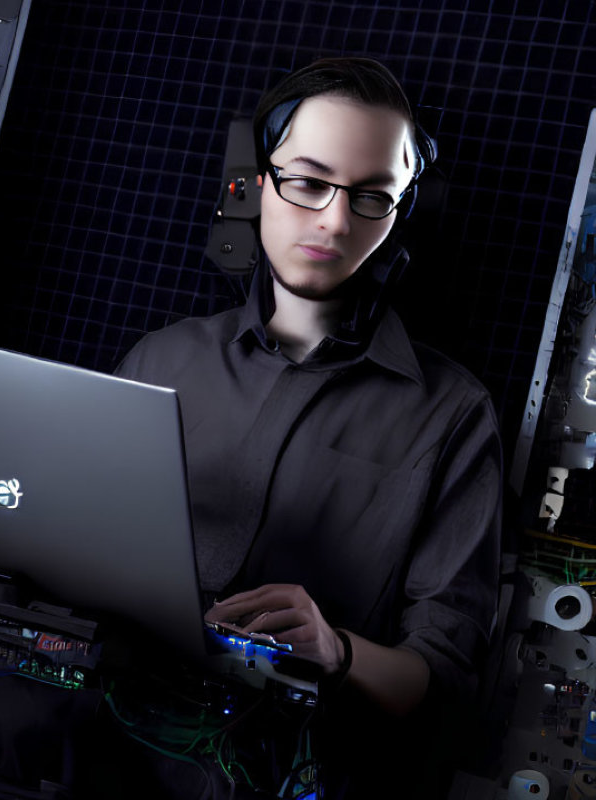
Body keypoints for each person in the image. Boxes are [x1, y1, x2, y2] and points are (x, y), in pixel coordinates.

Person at [111, 57, 503, 799]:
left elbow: (445, 678)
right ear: (256, 181)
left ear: (402, 214)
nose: (333, 219)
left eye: (371, 197)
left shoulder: (453, 415)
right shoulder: (160, 358)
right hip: (97, 748)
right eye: (309, 181)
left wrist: (339, 651)